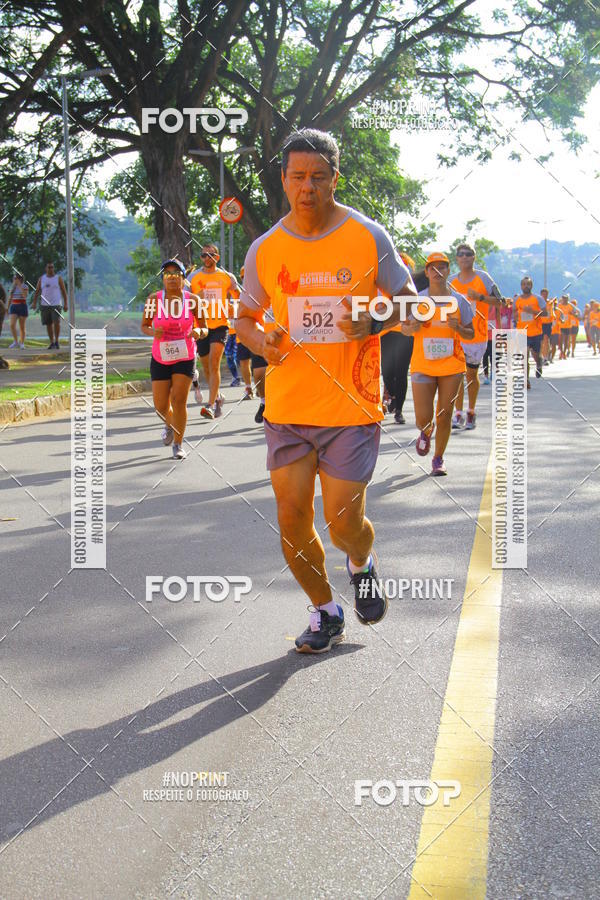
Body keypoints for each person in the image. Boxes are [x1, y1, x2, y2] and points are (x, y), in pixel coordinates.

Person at [235, 128, 416, 653]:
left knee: (342, 523)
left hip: (350, 408)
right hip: (288, 408)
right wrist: (261, 343)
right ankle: (325, 611)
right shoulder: (265, 248)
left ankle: (361, 562)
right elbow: (243, 319)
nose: (307, 187)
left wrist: (375, 319)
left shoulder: (367, 236)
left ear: (335, 178)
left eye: (318, 176)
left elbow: (412, 304)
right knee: (292, 519)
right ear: (284, 180)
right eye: (297, 177)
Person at [401, 253, 474, 476]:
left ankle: (438, 458)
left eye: (442, 267)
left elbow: (471, 333)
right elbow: (404, 328)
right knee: (423, 417)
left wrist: (458, 328)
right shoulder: (417, 300)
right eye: (433, 268)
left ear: (448, 271)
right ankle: (426, 430)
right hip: (423, 365)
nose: (437, 271)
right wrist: (412, 328)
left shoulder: (459, 301)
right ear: (427, 272)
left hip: (452, 365)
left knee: (445, 414)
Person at [141, 259, 207, 459]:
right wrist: (153, 332)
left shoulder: (193, 300)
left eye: (176, 274)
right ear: (163, 278)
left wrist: (198, 332)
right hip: (160, 356)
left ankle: (178, 444)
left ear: (183, 278)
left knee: (179, 400)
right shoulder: (154, 300)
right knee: (161, 406)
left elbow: (205, 328)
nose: (171, 278)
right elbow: (144, 325)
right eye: (167, 274)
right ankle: (169, 424)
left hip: (185, 356)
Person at [449, 243, 502, 430]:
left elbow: (500, 301)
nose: (464, 257)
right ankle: (458, 413)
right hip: (455, 335)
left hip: (476, 335)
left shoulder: (484, 278)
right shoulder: (451, 281)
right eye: (461, 254)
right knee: (456, 375)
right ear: (457, 258)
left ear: (474, 257)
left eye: (468, 254)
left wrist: (480, 297)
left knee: (471, 375)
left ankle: (471, 412)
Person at [189, 244, 237, 419]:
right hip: (201, 326)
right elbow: (185, 300)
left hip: (220, 325)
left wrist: (233, 307)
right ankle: (217, 397)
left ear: (217, 257)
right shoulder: (193, 278)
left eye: (210, 254)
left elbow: (239, 295)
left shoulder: (227, 277)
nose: (206, 258)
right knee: (207, 367)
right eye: (203, 255)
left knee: (214, 363)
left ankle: (210, 405)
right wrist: (196, 299)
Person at [380, 252, 418, 425]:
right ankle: (392, 397)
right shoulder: (381, 284)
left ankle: (399, 410)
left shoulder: (409, 287)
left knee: (401, 372)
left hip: (404, 334)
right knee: (387, 372)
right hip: (386, 333)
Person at [513, 275, 546, 388]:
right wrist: (516, 317)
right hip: (523, 332)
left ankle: (539, 364)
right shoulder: (517, 299)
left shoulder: (537, 298)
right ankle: (526, 380)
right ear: (521, 286)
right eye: (524, 284)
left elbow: (545, 313)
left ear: (531, 286)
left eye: (528, 284)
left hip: (536, 332)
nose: (526, 286)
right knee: (525, 355)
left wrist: (533, 311)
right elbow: (514, 312)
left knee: (536, 355)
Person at [31, 261, 67, 349]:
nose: (50, 269)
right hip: (45, 305)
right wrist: (34, 302)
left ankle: (57, 341)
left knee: (56, 322)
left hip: (56, 304)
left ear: (53, 268)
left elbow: (64, 291)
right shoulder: (42, 279)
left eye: (52, 267)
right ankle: (52, 342)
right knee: (48, 324)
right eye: (49, 267)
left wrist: (66, 303)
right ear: (46, 268)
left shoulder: (58, 278)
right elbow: (37, 291)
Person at [8, 274, 29, 348]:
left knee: (22, 326)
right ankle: (15, 341)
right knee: (12, 325)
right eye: (14, 278)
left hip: (22, 306)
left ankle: (22, 343)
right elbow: (10, 297)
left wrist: (19, 286)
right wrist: (7, 307)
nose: (14, 280)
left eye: (15, 278)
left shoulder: (25, 286)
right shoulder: (13, 287)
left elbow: (25, 296)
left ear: (20, 279)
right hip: (14, 306)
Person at [481, 303, 497, 384]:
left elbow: (499, 320)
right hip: (484, 336)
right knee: (485, 357)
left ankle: (493, 373)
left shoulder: (495, 307)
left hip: (493, 336)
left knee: (492, 356)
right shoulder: (482, 306)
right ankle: (486, 376)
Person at [539, 288, 553, 364]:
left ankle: (545, 357)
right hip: (540, 323)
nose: (545, 296)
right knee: (541, 341)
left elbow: (551, 313)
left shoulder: (550, 303)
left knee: (546, 340)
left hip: (548, 323)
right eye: (543, 294)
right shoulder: (538, 303)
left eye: (546, 294)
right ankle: (540, 356)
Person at [557, 295, 571, 359]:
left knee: (566, 340)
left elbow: (573, 312)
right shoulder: (559, 306)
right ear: (562, 299)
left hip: (568, 325)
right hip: (560, 325)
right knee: (560, 340)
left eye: (566, 299)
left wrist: (574, 314)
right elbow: (558, 314)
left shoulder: (569, 306)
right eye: (564, 299)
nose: (565, 300)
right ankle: (561, 352)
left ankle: (564, 353)